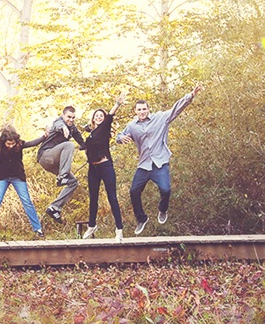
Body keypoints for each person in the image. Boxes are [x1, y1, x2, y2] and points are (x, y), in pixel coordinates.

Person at [116, 84, 203, 235]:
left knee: (166, 190)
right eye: (139, 110)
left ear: (148, 109)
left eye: (144, 109)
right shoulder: (132, 126)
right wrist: (121, 138)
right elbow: (119, 135)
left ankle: (163, 210)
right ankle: (141, 219)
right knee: (134, 191)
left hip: (160, 162)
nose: (142, 112)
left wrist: (190, 96)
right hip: (144, 165)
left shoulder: (160, 118)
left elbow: (176, 108)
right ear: (135, 111)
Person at [0, 123, 47, 237]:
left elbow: (33, 143)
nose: (11, 146)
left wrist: (44, 136)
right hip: (3, 177)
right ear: (4, 142)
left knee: (26, 201)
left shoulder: (20, 144)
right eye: (8, 144)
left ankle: (37, 228)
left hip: (18, 177)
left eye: (13, 143)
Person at [82, 93, 126, 240]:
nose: (99, 117)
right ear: (93, 119)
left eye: (101, 115)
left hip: (105, 166)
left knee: (112, 197)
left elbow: (110, 116)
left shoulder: (105, 128)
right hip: (93, 168)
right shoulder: (91, 133)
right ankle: (91, 225)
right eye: (97, 116)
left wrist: (117, 103)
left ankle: (119, 229)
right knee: (93, 197)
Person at [36, 106, 86, 225]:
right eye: (69, 117)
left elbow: (81, 141)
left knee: (73, 182)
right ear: (63, 115)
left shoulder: (73, 128)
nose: (71, 120)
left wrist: (90, 146)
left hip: (54, 163)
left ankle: (54, 208)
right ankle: (63, 176)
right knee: (69, 145)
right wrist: (63, 127)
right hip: (46, 156)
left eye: (73, 118)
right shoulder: (58, 122)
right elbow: (58, 125)